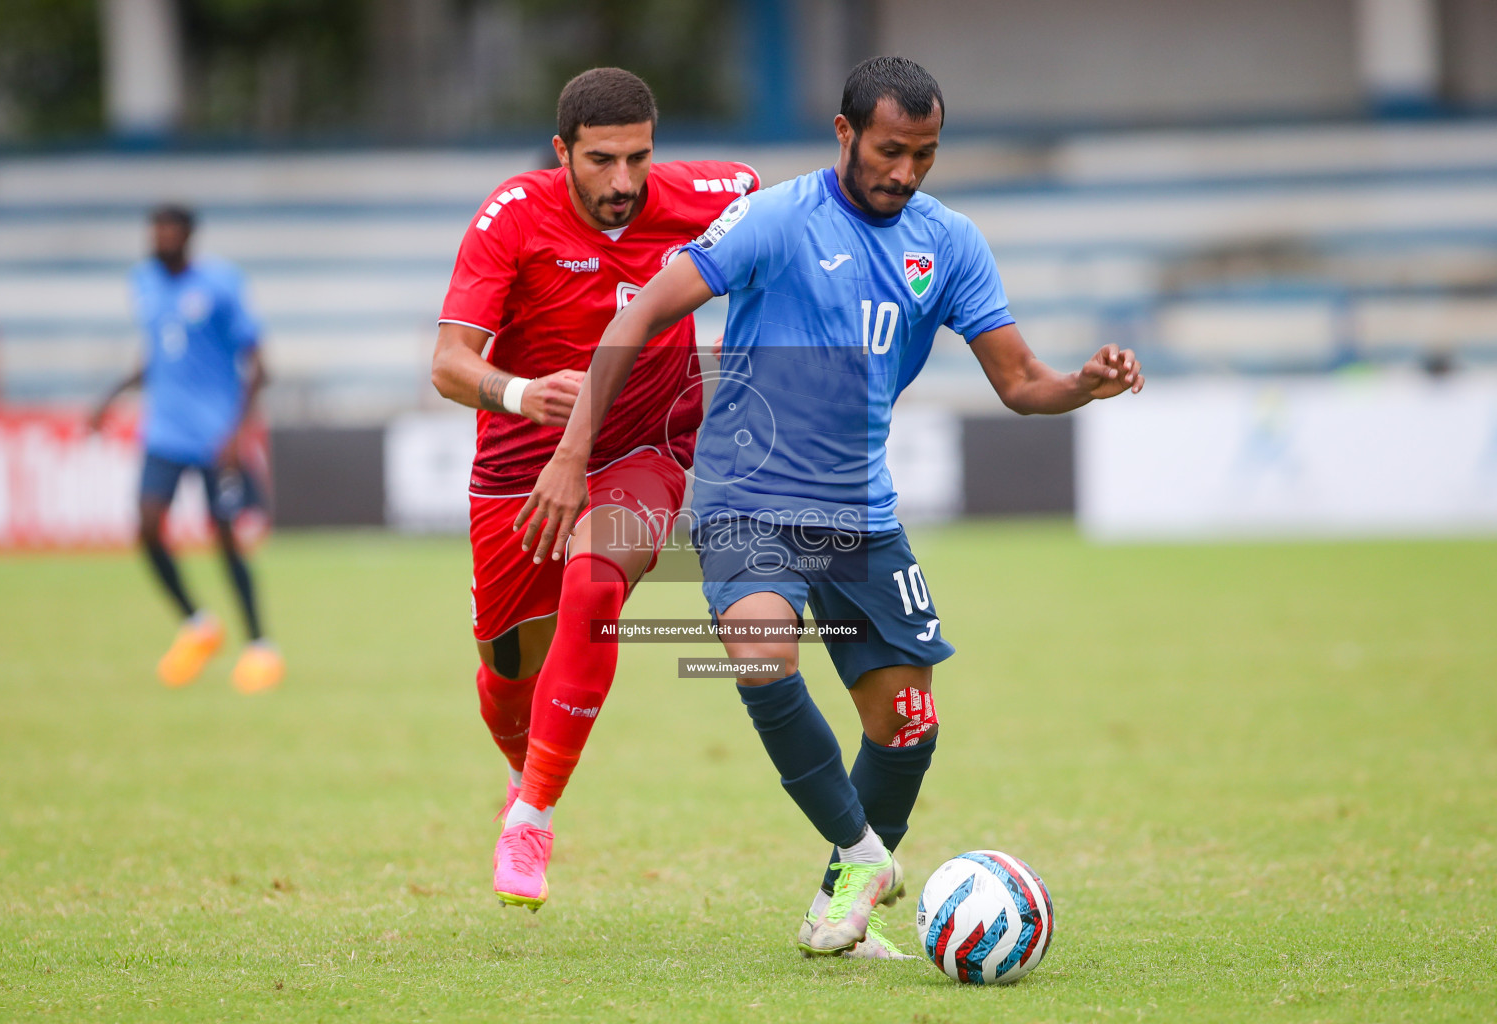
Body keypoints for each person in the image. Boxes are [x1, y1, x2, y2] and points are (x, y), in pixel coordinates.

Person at [517, 56, 1144, 957]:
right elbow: (639, 315)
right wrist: (575, 449)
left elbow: (1021, 383)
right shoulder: (775, 218)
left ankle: (835, 903)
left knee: (909, 722)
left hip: (861, 512)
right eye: (891, 150)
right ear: (847, 134)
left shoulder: (951, 242)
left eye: (925, 156)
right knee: (764, 656)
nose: (905, 173)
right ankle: (863, 855)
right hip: (747, 497)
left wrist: (1082, 384)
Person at [430, 67, 759, 911]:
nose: (623, 182)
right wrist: (519, 392)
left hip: (645, 449)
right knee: (507, 675)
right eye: (602, 161)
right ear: (562, 153)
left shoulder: (706, 194)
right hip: (519, 468)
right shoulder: (513, 216)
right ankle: (519, 769)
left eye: (639, 159)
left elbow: (797, 209)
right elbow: (448, 363)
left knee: (596, 584)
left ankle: (533, 816)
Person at [89, 204, 284, 695]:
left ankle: (261, 646)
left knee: (224, 536)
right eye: (155, 229)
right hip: (165, 432)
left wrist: (239, 434)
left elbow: (260, 364)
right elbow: (160, 352)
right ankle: (198, 625)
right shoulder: (143, 284)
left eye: (171, 230)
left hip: (215, 436)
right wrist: (110, 399)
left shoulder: (221, 284)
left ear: (189, 236)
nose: (161, 237)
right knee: (147, 525)